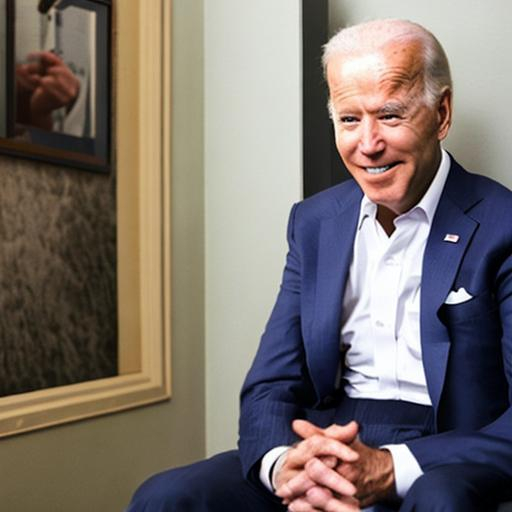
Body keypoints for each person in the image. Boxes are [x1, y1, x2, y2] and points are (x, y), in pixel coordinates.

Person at [127, 19, 512, 511]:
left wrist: (390, 467)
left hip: (445, 455)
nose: (367, 144)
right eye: (349, 120)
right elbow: (271, 384)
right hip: (328, 443)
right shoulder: (314, 223)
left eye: (390, 116)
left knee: (443, 500)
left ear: (441, 113)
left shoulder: (502, 224)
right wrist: (286, 466)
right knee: (166, 497)